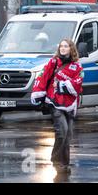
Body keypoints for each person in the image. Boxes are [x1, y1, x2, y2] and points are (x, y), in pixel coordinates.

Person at [31, 39, 83, 174]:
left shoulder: (77, 66)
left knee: (68, 135)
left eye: (66, 46)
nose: (63, 48)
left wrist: (61, 85)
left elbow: (77, 84)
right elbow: (43, 77)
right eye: (61, 46)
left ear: (71, 49)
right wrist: (38, 93)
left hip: (70, 105)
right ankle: (56, 160)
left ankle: (64, 163)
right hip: (54, 102)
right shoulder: (53, 62)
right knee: (62, 131)